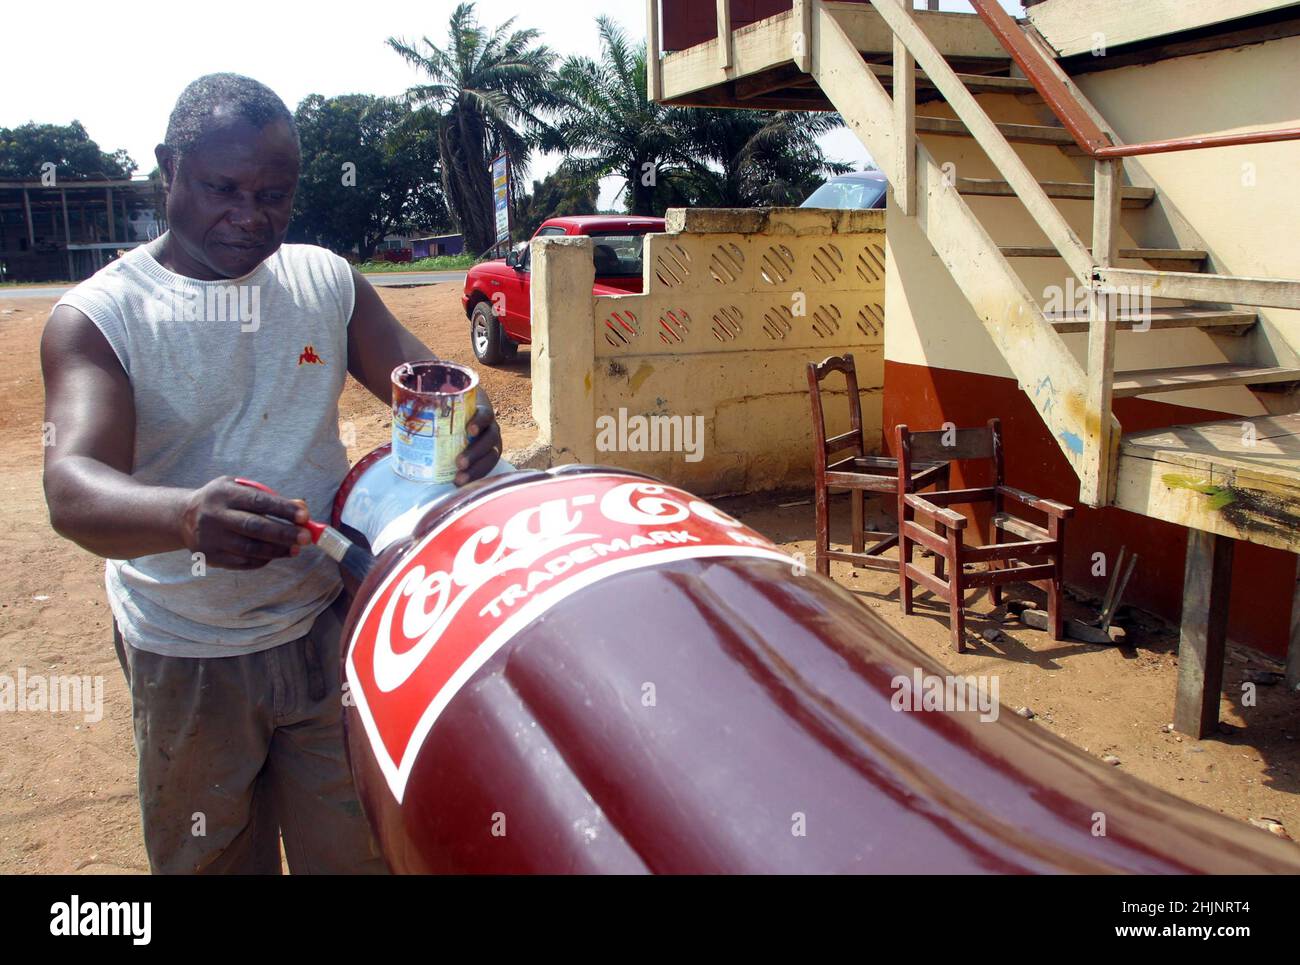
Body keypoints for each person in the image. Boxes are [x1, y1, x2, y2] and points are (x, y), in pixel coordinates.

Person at [39, 73, 502, 874]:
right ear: (167, 170)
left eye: (275, 196)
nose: (250, 215)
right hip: (190, 653)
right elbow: (71, 484)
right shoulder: (102, 317)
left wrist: (472, 419)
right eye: (224, 188)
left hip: (326, 628)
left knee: (352, 854)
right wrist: (185, 516)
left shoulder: (323, 283)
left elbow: (427, 386)